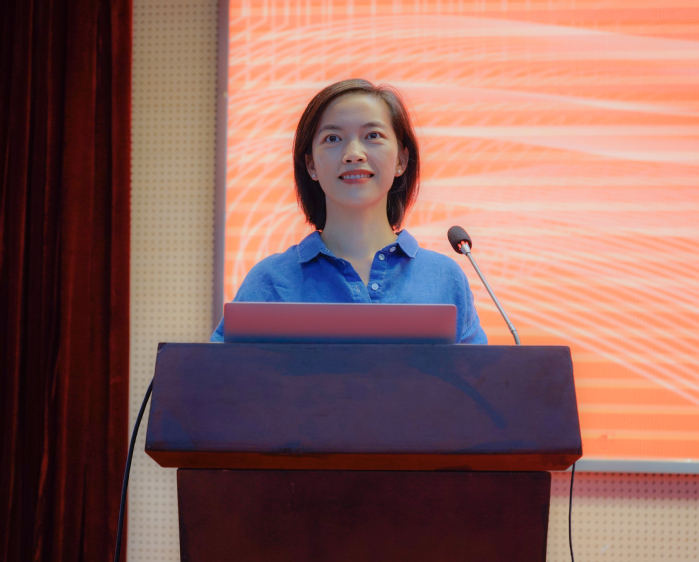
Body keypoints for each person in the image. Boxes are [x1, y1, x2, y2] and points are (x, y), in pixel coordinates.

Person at [211, 79, 487, 344]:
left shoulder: (444, 278)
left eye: (373, 136)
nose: (353, 154)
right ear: (311, 166)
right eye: (333, 138)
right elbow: (221, 373)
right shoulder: (270, 280)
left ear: (401, 160)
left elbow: (480, 375)